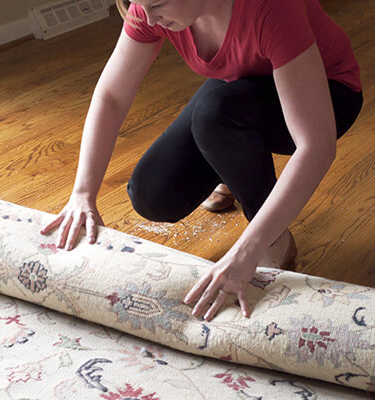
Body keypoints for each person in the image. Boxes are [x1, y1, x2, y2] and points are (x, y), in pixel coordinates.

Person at [40, 0, 363, 321]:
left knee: (215, 114)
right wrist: (82, 193)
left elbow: (316, 147)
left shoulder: (271, 6)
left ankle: (275, 240)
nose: (148, 17)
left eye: (158, 4)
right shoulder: (149, 8)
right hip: (239, 85)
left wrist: (246, 252)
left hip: (329, 92)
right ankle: (230, 158)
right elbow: (112, 96)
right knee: (153, 195)